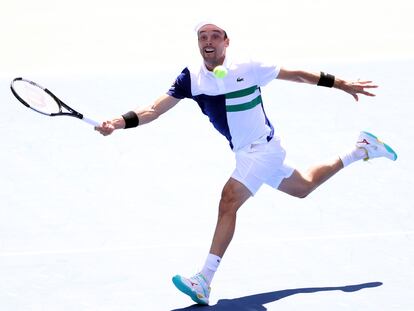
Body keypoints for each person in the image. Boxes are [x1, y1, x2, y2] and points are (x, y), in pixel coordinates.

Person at [95, 21, 397, 305]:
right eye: (203, 36)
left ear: (226, 41)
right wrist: (119, 122)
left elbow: (298, 75)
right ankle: (360, 149)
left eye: (215, 36)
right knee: (303, 186)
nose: (209, 42)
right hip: (248, 152)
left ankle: (204, 280)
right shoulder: (192, 78)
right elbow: (153, 109)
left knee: (228, 201)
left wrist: (341, 83)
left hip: (261, 151)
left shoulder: (249, 67)